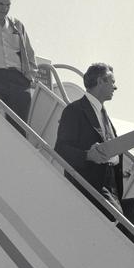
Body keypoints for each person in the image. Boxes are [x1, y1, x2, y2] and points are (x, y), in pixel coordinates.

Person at [54, 62, 124, 209]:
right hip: (90, 188)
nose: (115, 87)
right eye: (112, 82)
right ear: (100, 81)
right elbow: (60, 149)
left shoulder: (105, 115)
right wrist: (88, 155)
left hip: (111, 189)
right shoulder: (74, 110)